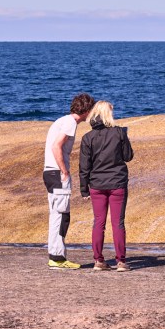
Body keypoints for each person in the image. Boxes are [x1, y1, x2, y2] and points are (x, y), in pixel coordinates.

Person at [79, 100, 134, 272]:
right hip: (117, 182)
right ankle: (121, 262)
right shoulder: (119, 133)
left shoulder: (88, 137)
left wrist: (83, 189)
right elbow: (128, 156)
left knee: (98, 222)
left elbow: (84, 166)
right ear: (109, 114)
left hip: (96, 184)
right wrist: (124, 138)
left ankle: (98, 260)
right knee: (118, 223)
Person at [43, 93, 95, 269]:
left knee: (56, 214)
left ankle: (56, 255)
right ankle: (57, 258)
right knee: (61, 215)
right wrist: (64, 171)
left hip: (49, 172)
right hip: (57, 173)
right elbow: (56, 145)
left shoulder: (62, 120)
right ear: (86, 110)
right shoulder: (70, 123)